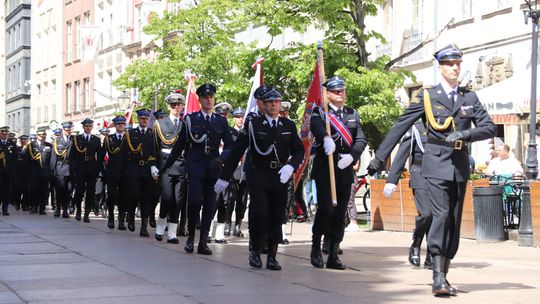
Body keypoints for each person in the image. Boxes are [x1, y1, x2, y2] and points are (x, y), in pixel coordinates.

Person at [367, 44, 496, 296]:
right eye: (450, 64)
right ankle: (437, 276)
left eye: (458, 63)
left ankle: (445, 275)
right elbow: (400, 126)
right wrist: (379, 159)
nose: (455, 68)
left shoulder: (469, 97)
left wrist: (466, 133)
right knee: (442, 215)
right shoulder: (427, 96)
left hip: (459, 165)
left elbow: (489, 127)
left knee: (454, 221)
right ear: (440, 67)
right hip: (434, 164)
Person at [214, 87, 305, 270]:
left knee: (276, 215)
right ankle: (255, 251)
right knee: (260, 213)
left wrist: (291, 166)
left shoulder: (288, 125)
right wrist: (224, 177)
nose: (274, 104)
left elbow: (299, 150)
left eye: (277, 101)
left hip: (280, 176)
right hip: (259, 175)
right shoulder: (254, 124)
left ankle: (272, 255)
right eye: (270, 101)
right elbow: (237, 151)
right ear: (263, 104)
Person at [162, 84, 233, 255]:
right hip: (195, 166)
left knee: (210, 205)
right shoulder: (191, 119)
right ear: (200, 100)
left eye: (211, 96)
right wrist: (166, 166)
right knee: (194, 202)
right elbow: (180, 145)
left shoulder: (221, 121)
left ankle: (202, 243)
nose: (209, 99)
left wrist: (221, 159)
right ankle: (191, 237)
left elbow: (231, 145)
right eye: (205, 97)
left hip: (213, 167)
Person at [309, 76, 367, 270]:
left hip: (344, 167)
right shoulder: (320, 112)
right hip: (326, 167)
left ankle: (334, 253)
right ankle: (316, 246)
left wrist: (352, 156)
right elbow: (315, 126)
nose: (340, 93)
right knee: (326, 208)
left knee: (340, 212)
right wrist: (325, 138)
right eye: (335, 91)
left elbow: (360, 139)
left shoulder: (352, 114)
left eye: (342, 89)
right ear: (327, 93)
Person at [383, 121, 433, 269]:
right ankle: (416, 243)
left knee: (439, 216)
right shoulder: (416, 129)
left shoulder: (446, 126)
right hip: (420, 175)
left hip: (440, 177)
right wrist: (392, 180)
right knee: (427, 214)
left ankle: (432, 253)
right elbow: (402, 154)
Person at [116, 109, 158, 236]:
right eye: (142, 118)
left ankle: (144, 227)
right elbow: (123, 154)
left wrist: (155, 166)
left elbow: (156, 152)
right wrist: (120, 172)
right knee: (134, 195)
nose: (144, 120)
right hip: (133, 169)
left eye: (146, 118)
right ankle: (131, 217)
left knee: (146, 198)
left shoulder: (153, 133)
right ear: (138, 119)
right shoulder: (130, 133)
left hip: (147, 169)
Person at [154, 91, 188, 244]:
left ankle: (172, 233)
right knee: (167, 198)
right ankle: (161, 226)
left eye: (179, 104)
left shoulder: (185, 124)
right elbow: (154, 146)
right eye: (173, 104)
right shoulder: (160, 123)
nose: (176, 107)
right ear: (169, 106)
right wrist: (153, 165)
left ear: (182, 107)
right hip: (165, 166)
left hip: (181, 166)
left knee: (178, 200)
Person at [69, 118, 104, 222]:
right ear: (83, 127)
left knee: (90, 192)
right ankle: (78, 210)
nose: (88, 128)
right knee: (79, 190)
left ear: (92, 127)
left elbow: (100, 155)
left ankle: (87, 213)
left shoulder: (96, 139)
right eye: (86, 126)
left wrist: (97, 168)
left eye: (90, 126)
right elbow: (72, 156)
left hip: (92, 168)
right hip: (80, 168)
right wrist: (73, 169)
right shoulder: (77, 138)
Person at [227, 107, 249, 237]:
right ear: (234, 118)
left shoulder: (248, 132)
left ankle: (237, 226)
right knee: (230, 199)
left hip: (244, 171)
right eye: (238, 117)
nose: (240, 119)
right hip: (233, 170)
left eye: (242, 117)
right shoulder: (230, 132)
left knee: (242, 201)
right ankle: (227, 224)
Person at [103, 116, 127, 230]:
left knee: (123, 196)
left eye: (122, 123)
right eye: (118, 124)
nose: (120, 125)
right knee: (111, 195)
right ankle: (111, 216)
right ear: (115, 125)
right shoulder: (109, 138)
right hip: (112, 171)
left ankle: (121, 219)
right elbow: (102, 155)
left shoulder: (129, 138)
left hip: (125, 171)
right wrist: (103, 171)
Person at [24, 128, 53, 215]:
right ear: (37, 136)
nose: (43, 137)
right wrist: (27, 172)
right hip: (34, 172)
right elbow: (26, 160)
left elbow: (51, 160)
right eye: (41, 136)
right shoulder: (31, 146)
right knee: (34, 190)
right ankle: (33, 206)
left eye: (44, 136)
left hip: (45, 172)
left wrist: (50, 171)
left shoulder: (49, 145)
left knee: (44, 191)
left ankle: (42, 208)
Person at [50, 122, 74, 218]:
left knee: (68, 190)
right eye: (66, 130)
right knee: (59, 190)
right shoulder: (57, 141)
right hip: (60, 168)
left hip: (71, 169)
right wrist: (52, 170)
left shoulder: (73, 140)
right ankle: (58, 209)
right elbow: (53, 157)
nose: (68, 131)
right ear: (63, 130)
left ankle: (65, 209)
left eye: (69, 130)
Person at [0, 126, 17, 215]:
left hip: (8, 171)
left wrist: (13, 170)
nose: (5, 135)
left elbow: (15, 158)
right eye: (3, 134)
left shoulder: (11, 143)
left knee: (7, 191)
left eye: (6, 134)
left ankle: (5, 209)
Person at [12, 135, 29, 211]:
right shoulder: (17, 149)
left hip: (26, 172)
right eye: (22, 140)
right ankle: (17, 203)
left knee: (26, 189)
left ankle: (24, 204)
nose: (24, 141)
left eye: (25, 140)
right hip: (18, 172)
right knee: (18, 189)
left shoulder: (29, 149)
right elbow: (17, 157)